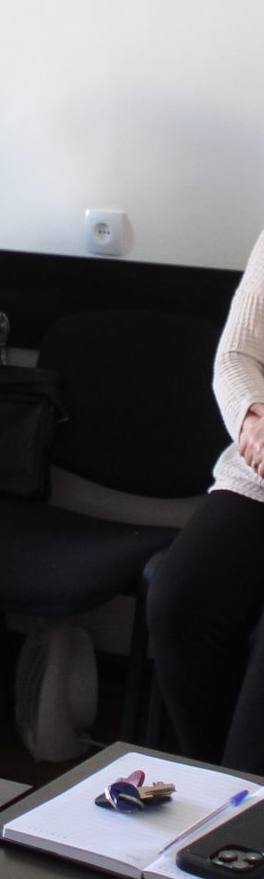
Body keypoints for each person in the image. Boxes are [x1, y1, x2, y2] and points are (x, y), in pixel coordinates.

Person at [148, 230, 264, 775]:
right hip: (259, 476)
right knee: (180, 600)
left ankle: (245, 799)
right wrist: (252, 420)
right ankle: (223, 786)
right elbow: (237, 356)